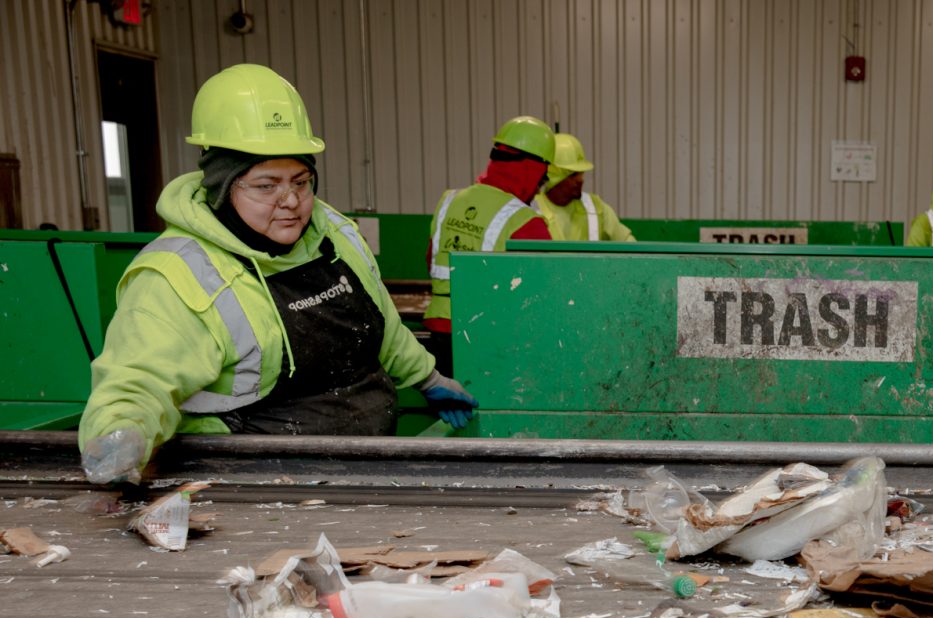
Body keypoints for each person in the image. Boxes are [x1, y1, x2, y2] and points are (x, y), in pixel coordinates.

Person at [78, 64, 475, 485]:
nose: (290, 201)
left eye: (301, 182)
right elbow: (137, 380)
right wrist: (121, 435)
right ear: (223, 186)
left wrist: (428, 378)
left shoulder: (334, 233)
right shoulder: (180, 273)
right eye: (266, 186)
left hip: (366, 468)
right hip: (257, 485)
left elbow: (382, 326)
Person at [423, 116, 556, 372]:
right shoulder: (525, 221)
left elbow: (431, 259)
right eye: (542, 180)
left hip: (441, 331)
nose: (540, 190)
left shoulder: (449, 200)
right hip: (489, 337)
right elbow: (543, 290)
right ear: (532, 170)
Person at [535, 133, 637, 243]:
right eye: (573, 174)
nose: (580, 179)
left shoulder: (597, 209)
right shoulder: (532, 210)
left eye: (581, 173)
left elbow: (630, 246)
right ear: (553, 176)